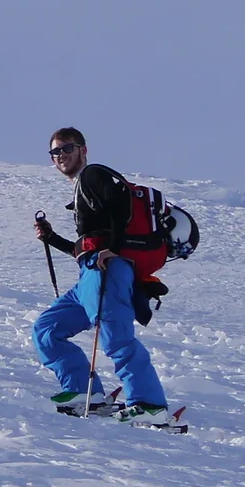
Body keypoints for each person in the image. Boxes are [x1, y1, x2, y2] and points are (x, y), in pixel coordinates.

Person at [31, 126, 173, 417]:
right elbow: (86, 248)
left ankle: (149, 404)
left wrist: (116, 249)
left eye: (67, 148)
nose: (61, 155)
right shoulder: (83, 187)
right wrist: (52, 238)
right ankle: (84, 392)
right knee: (47, 329)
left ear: (83, 149)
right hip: (91, 272)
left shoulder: (93, 174)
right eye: (55, 151)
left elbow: (121, 202)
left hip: (108, 269)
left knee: (115, 336)